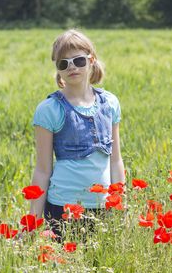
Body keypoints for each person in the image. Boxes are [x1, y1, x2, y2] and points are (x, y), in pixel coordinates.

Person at [30, 29, 125, 239]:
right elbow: (43, 170)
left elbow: (115, 160)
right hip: (63, 208)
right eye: (63, 63)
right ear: (58, 69)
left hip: (103, 207)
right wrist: (33, 221)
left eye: (78, 60)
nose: (71, 66)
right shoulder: (49, 109)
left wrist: (120, 203)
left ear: (91, 60)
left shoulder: (109, 103)